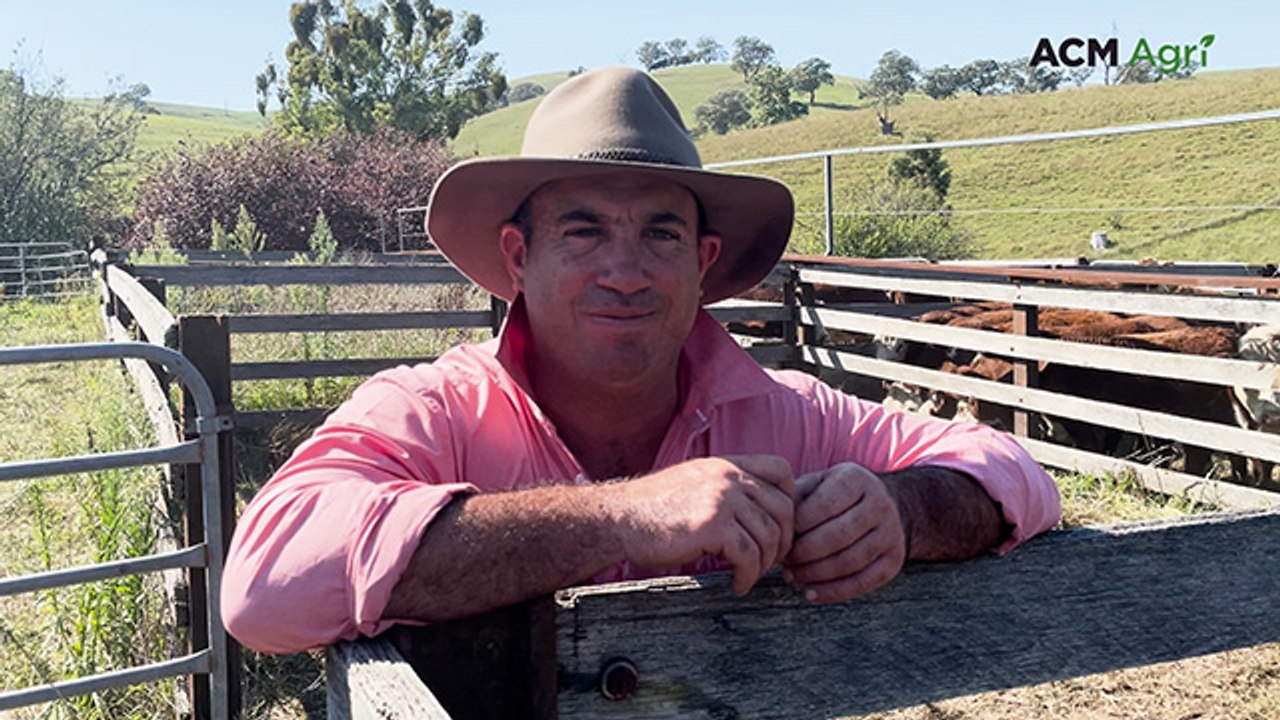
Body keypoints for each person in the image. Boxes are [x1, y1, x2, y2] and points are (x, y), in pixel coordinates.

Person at [221, 67, 1061, 654]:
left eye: (660, 232)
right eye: (583, 229)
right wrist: (624, 517)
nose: (624, 272)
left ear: (703, 260)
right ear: (519, 255)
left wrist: (903, 512)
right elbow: (263, 586)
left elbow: (1015, 471)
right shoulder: (433, 409)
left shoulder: (787, 412)